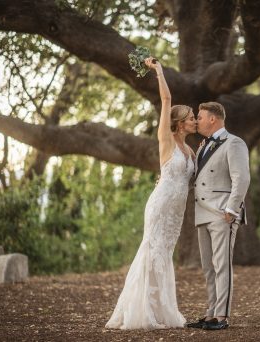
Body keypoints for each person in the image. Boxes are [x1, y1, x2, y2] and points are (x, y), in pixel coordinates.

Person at [105, 57, 196, 329]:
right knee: (152, 252)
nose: (194, 121)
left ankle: (161, 311)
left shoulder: (191, 151)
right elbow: (166, 101)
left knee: (164, 255)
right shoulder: (166, 140)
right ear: (179, 123)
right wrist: (158, 71)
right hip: (160, 205)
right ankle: (140, 312)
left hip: (175, 212)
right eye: (191, 118)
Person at [186, 102, 250, 330]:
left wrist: (232, 210)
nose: (197, 121)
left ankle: (222, 316)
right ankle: (211, 312)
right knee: (208, 267)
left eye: (200, 117)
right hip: (202, 213)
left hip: (222, 213)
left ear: (213, 119)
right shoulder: (203, 146)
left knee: (222, 265)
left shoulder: (234, 143)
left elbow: (241, 178)